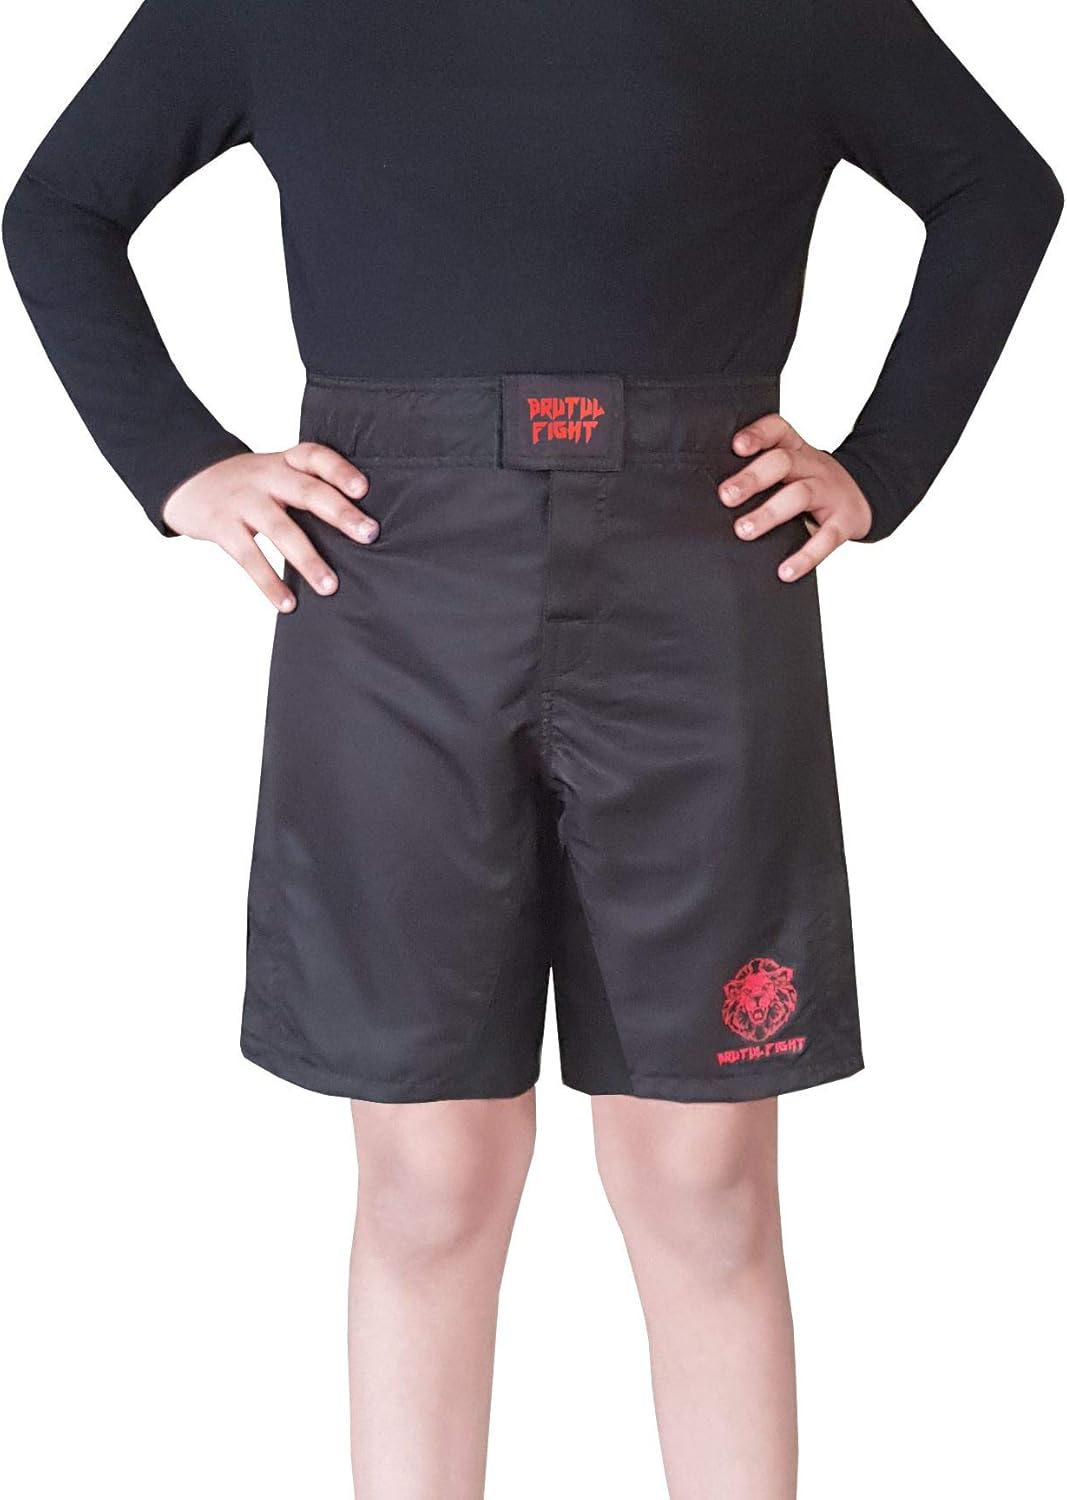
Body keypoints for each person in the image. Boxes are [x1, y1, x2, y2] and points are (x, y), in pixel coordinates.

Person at [3, 1, 1060, 1495]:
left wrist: (885, 463)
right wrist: (181, 466)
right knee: (430, 1173)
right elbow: (59, 207)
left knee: (701, 1174)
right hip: (387, 582)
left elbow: (998, 185)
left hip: (697, 572)